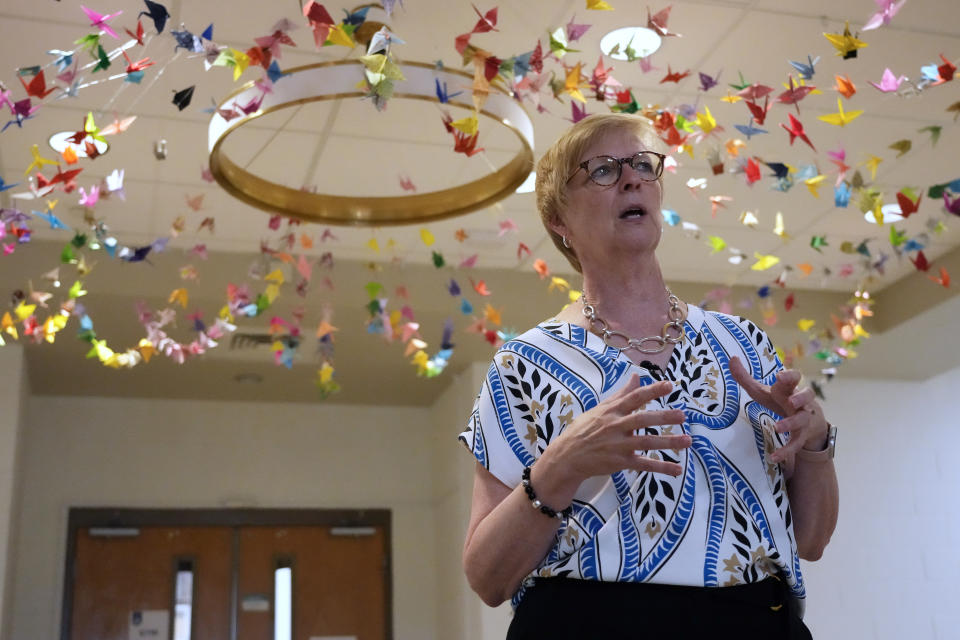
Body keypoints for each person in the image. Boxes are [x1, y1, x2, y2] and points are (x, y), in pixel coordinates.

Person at [459, 113, 839, 639]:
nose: (632, 178)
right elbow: (487, 579)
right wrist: (559, 468)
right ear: (559, 222)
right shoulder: (523, 363)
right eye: (602, 171)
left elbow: (813, 542)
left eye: (642, 165)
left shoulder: (744, 344)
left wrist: (815, 439)